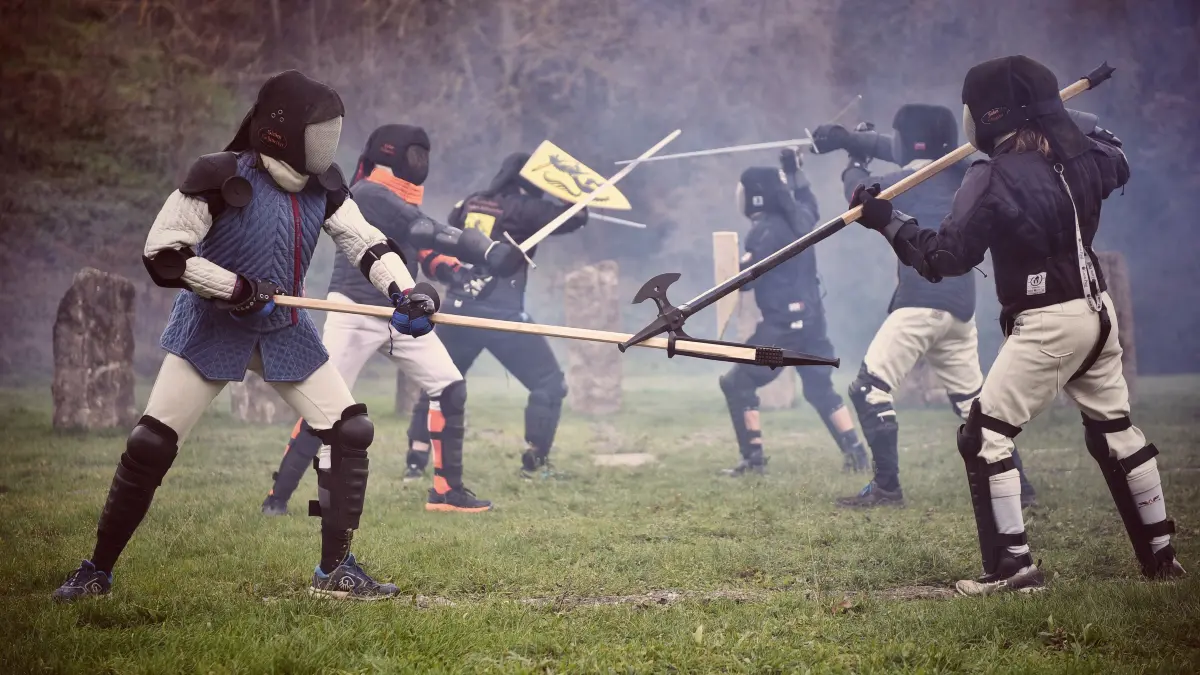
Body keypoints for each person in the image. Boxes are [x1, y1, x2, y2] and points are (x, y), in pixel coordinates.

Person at [52, 71, 437, 602]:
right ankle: (95, 569)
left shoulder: (324, 186)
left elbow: (365, 242)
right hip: (213, 326)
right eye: (318, 130)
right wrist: (229, 286)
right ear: (283, 130)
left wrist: (405, 291)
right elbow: (164, 251)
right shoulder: (218, 174)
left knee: (350, 433)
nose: (328, 142)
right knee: (151, 443)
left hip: (284, 329)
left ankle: (335, 570)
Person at [851, 55, 1185, 594]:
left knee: (985, 436)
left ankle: (1014, 569)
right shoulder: (1084, 159)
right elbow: (1117, 154)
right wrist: (1069, 119)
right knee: (1117, 432)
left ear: (987, 115)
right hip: (1097, 316)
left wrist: (889, 222)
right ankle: (1161, 558)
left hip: (1050, 322)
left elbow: (946, 258)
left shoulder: (992, 174)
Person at [262, 124, 524, 516]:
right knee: (324, 407)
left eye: (425, 156)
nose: (421, 164)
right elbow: (425, 230)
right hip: (355, 309)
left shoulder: (402, 204)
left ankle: (445, 492)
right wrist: (485, 251)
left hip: (402, 312)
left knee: (449, 387)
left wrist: (460, 275)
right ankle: (277, 498)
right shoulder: (366, 193)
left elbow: (422, 248)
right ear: (391, 155)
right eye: (414, 155)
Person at [811, 105, 1035, 508]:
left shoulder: (901, 181)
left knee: (869, 391)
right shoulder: (966, 174)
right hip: (960, 307)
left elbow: (859, 195)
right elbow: (904, 149)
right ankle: (1020, 486)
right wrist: (852, 137)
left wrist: (854, 160)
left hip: (920, 304)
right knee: (973, 404)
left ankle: (886, 489)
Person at [406, 152, 587, 477]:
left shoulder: (468, 204)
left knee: (439, 384)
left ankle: (415, 460)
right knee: (549, 382)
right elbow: (575, 217)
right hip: (502, 316)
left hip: (458, 311)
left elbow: (448, 239)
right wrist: (567, 189)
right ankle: (535, 461)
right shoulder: (525, 208)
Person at [717, 151, 869, 476]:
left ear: (755, 196)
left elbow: (744, 282)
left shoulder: (765, 232)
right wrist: (794, 171)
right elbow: (809, 203)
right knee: (819, 388)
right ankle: (855, 452)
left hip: (781, 331)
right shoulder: (799, 219)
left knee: (738, 383)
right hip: (812, 323)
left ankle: (754, 460)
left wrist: (734, 266)